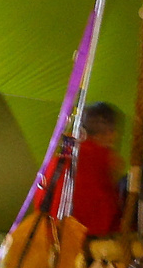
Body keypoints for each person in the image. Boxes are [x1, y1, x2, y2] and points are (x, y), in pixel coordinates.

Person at [36, 101, 123, 235]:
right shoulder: (100, 162)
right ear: (110, 133)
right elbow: (105, 219)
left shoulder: (58, 160)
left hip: (48, 243)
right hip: (80, 246)